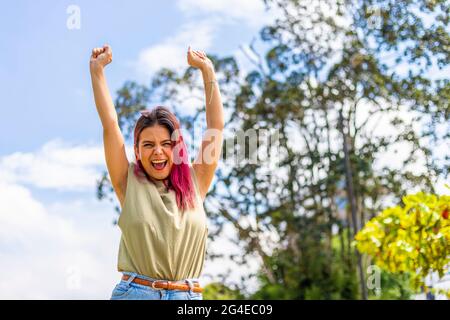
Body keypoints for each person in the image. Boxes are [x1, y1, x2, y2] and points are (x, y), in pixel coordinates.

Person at [89, 44, 224, 300]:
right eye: (148, 145)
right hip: (137, 293)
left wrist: (207, 70)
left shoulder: (196, 182)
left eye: (166, 144)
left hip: (189, 296)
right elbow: (110, 124)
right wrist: (97, 73)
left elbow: (215, 125)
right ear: (137, 151)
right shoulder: (127, 182)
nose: (158, 152)